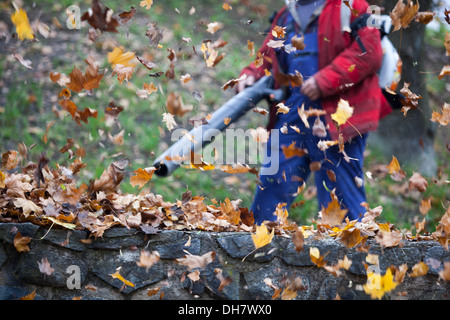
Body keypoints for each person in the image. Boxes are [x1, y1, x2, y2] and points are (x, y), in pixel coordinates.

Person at [237, 0, 392, 225]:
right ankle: (257, 249)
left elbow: (369, 52)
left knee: (340, 196)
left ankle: (353, 255)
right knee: (272, 182)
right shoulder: (286, 15)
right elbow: (268, 55)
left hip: (339, 117)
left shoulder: (352, 6)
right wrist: (251, 74)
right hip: (293, 112)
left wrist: (324, 80)